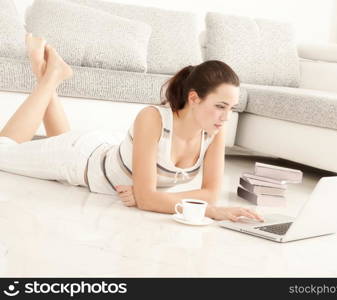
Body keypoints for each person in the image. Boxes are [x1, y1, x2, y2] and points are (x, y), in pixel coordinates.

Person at [0, 33, 264, 222]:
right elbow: (152, 201)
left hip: (106, 150)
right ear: (194, 98)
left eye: (231, 107)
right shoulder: (153, 118)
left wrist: (149, 196)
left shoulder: (215, 131)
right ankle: (50, 76)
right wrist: (208, 210)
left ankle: (49, 73)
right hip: (79, 160)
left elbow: (209, 194)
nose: (226, 116)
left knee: (61, 138)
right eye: (220, 106)